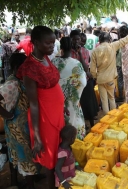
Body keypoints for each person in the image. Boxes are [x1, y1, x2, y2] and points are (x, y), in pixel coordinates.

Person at [16, 26, 65, 189]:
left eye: (53, 42)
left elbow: (53, 87)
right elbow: (34, 103)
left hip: (56, 113)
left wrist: (62, 106)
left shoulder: (45, 58)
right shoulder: (30, 68)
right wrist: (36, 136)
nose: (52, 46)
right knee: (50, 163)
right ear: (36, 43)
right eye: (48, 43)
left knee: (59, 152)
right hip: (45, 119)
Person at [0, 53, 36, 189]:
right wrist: (8, 115)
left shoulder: (19, 80)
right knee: (24, 154)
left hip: (22, 124)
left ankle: (14, 182)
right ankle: (29, 185)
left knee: (15, 152)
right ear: (16, 67)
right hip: (17, 126)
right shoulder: (12, 84)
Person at [90, 27, 128, 114]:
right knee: (112, 98)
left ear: (99, 40)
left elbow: (92, 69)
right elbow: (125, 40)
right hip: (110, 79)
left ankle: (106, 119)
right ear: (109, 39)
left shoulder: (94, 51)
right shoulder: (113, 46)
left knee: (104, 101)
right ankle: (113, 116)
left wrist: (96, 76)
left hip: (100, 79)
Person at [52, 37, 87, 139]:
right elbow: (83, 82)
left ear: (60, 47)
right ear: (72, 48)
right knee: (74, 121)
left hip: (58, 103)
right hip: (73, 102)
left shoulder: (54, 62)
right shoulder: (76, 63)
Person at [70, 30, 99, 128]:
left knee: (88, 104)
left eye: (77, 39)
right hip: (73, 82)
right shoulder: (68, 51)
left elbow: (86, 68)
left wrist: (80, 54)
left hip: (84, 80)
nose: (76, 42)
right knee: (78, 105)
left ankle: (91, 124)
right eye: (73, 39)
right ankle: (81, 125)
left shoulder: (84, 51)